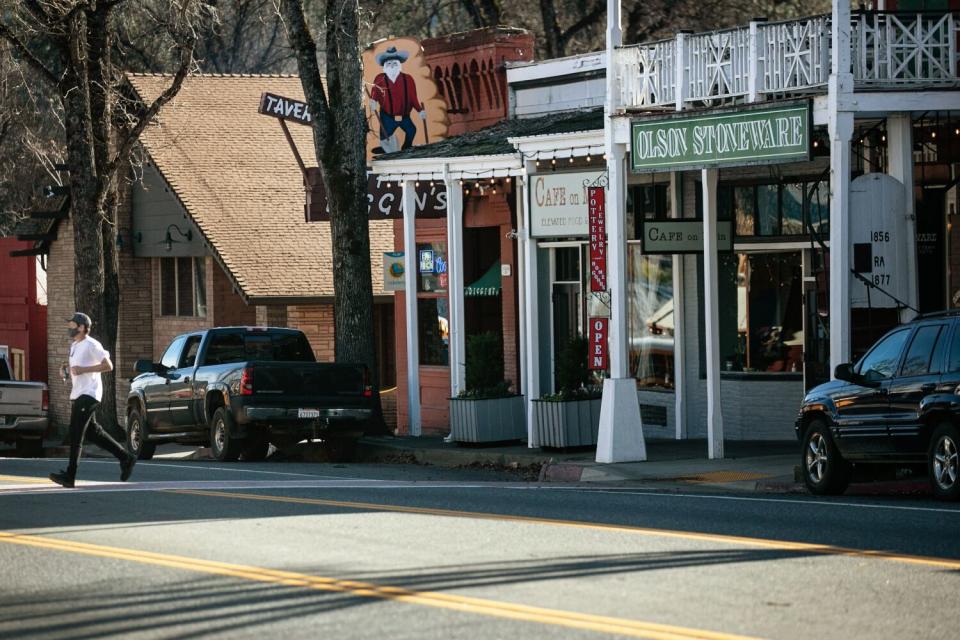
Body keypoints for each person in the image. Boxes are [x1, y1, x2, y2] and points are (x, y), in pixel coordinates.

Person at [49, 312, 136, 488]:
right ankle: (126, 457)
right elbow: (75, 368)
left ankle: (70, 475)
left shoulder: (92, 344)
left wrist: (83, 370)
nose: (69, 327)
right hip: (79, 393)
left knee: (75, 433)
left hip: (89, 395)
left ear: (81, 327)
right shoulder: (75, 345)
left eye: (72, 325)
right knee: (92, 433)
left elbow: (108, 365)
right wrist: (65, 370)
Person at [369, 46, 427, 154]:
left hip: (405, 116)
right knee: (385, 135)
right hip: (387, 116)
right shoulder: (380, 78)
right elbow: (374, 93)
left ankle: (406, 147)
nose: (392, 66)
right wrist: (373, 102)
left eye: (394, 63)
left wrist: (420, 111)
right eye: (389, 64)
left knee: (411, 130)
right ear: (385, 66)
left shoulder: (408, 79)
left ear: (399, 65)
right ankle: (386, 149)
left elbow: (413, 98)